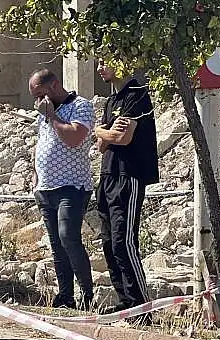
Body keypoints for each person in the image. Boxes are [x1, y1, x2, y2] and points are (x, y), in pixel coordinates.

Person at [94, 62, 159, 318]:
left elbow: (123, 138)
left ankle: (141, 306)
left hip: (128, 176)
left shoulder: (137, 95)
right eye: (98, 62)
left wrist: (101, 130)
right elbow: (101, 145)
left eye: (105, 62)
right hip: (107, 174)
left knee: (124, 242)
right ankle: (125, 301)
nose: (100, 68)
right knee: (109, 242)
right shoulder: (111, 101)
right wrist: (105, 132)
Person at [28, 68, 95, 311]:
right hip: (45, 188)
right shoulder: (44, 113)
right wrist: (36, 174)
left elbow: (74, 138)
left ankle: (87, 295)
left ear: (55, 86)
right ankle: (66, 295)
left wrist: (52, 116)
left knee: (68, 237)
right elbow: (43, 143)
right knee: (56, 243)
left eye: (41, 94)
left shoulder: (80, 106)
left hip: (72, 186)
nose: (38, 101)